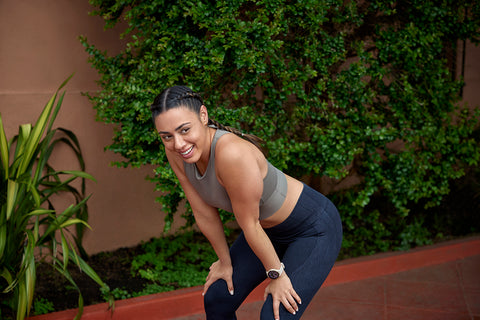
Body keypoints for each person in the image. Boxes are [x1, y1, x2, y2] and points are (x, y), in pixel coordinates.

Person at [150, 85, 342, 320]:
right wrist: (224, 261)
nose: (178, 143)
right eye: (167, 136)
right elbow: (202, 211)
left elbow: (249, 224)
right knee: (218, 297)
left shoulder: (232, 154)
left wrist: (277, 275)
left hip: (312, 228)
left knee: (276, 314)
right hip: (266, 231)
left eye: (184, 130)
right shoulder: (178, 153)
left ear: (203, 115)